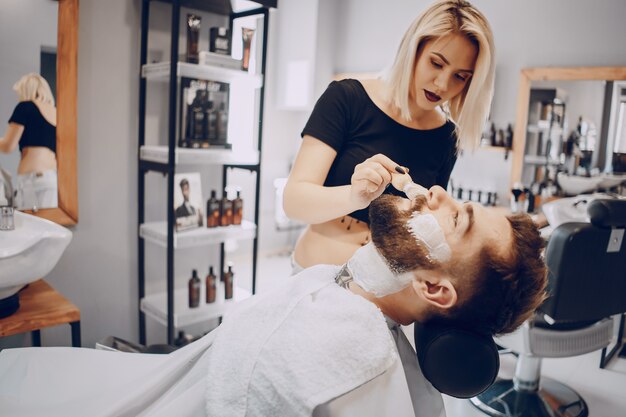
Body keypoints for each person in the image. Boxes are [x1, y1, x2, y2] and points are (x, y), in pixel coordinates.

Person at [0, 184, 547, 417]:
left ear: (433, 288)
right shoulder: (348, 294)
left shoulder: (348, 350)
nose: (438, 193)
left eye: (457, 217)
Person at [283, 0, 496, 272]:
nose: (443, 84)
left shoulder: (446, 137)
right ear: (414, 49)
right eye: (436, 63)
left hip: (386, 297)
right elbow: (294, 202)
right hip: (315, 279)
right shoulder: (347, 98)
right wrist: (355, 196)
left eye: (460, 76)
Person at [0, 73, 58, 210]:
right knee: (49, 229)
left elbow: (8, 146)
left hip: (32, 180)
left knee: (30, 229)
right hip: (52, 179)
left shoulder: (25, 107)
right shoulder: (57, 113)